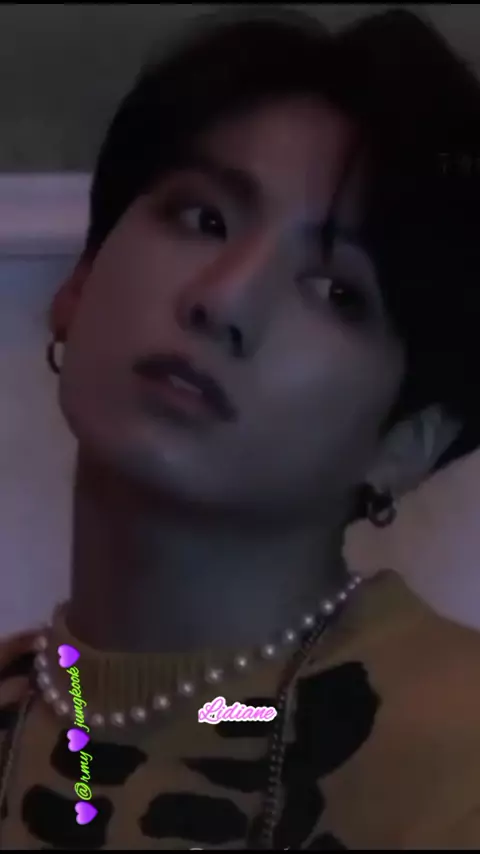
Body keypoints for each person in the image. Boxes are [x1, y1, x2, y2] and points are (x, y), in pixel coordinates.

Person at [1, 7, 480, 850]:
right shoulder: (29, 703)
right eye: (203, 219)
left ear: (407, 441)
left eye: (335, 291)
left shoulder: (452, 750)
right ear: (79, 282)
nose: (223, 299)